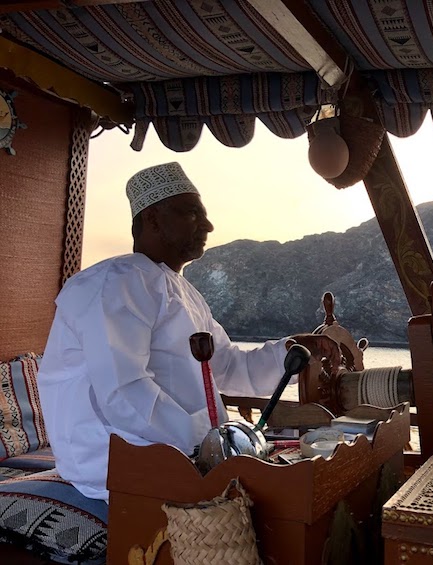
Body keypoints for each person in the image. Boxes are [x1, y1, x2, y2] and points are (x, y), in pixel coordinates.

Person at [37, 162, 340, 502]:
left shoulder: (184, 292)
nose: (208, 225)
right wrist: (211, 447)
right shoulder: (114, 283)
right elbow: (124, 394)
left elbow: (226, 368)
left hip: (184, 454)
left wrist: (292, 350)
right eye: (193, 214)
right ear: (153, 219)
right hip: (111, 466)